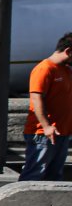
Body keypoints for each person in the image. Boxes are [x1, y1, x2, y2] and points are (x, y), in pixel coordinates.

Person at [19, 33, 72, 181]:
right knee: (35, 173)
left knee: (54, 176)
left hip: (61, 132)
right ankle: (25, 203)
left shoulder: (66, 70)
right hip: (43, 133)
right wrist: (46, 126)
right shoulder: (44, 69)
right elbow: (36, 99)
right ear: (68, 51)